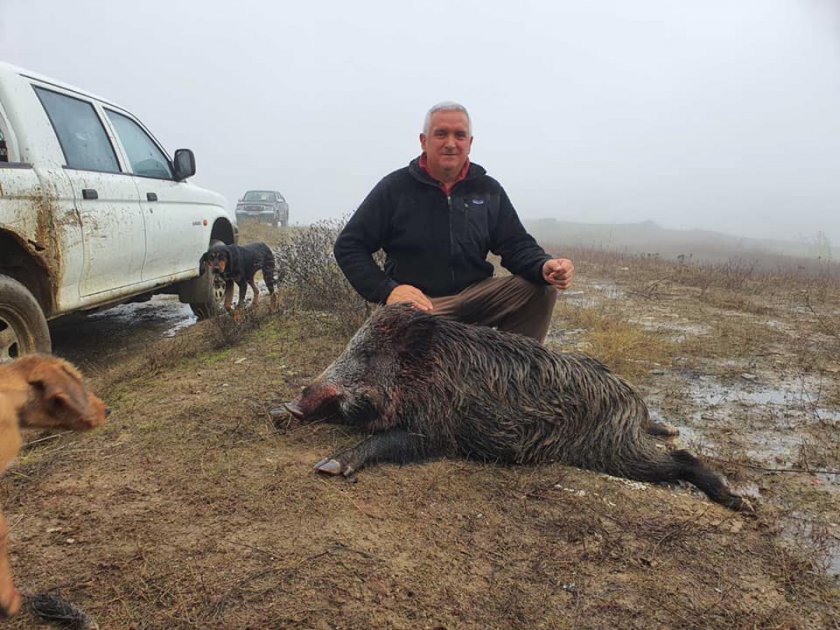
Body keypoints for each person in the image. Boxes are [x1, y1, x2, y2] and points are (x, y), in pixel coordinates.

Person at [333, 101, 574, 343]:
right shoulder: (395, 188)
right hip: (423, 304)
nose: (450, 143)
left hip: (476, 297)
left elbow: (516, 244)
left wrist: (544, 265)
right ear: (423, 141)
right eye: (441, 134)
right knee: (405, 349)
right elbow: (349, 246)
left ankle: (515, 370)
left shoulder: (488, 189)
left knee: (540, 290)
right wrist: (390, 290)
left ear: (469, 144)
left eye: (459, 135)